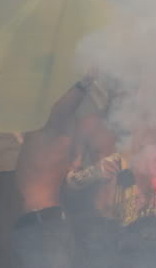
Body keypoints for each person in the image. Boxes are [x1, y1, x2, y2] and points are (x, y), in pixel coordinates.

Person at [12, 76, 95, 268]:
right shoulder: (43, 131)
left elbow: (62, 111)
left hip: (43, 223)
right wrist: (84, 83)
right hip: (40, 224)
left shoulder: (46, 132)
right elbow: (62, 110)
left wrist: (84, 82)